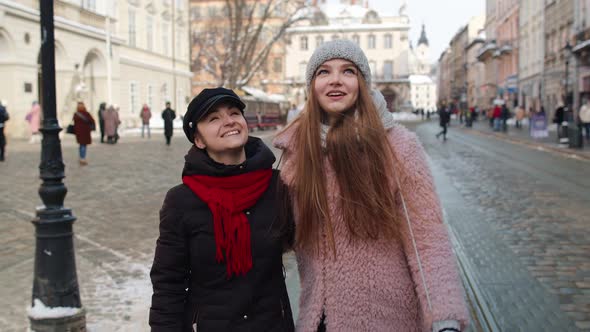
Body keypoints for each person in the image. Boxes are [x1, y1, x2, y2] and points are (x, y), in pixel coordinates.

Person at [273, 39, 468, 332]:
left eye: (348, 71)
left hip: (385, 319)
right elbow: (283, 234)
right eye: (323, 72)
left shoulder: (396, 146)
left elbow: (427, 238)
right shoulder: (298, 148)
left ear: (362, 83)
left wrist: (445, 316)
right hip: (317, 318)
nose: (335, 80)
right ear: (311, 86)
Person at [149, 87, 295, 331]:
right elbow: (168, 284)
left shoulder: (279, 186)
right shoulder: (182, 201)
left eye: (234, 113)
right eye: (214, 118)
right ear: (198, 139)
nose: (229, 122)